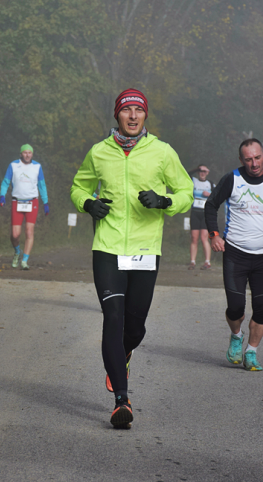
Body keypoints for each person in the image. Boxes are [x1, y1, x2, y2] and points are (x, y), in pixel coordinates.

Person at [70, 88, 193, 428]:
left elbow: (186, 191)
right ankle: (120, 401)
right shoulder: (99, 153)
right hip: (107, 247)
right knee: (113, 315)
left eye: (139, 110)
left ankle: (122, 355)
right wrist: (87, 204)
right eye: (127, 111)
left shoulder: (163, 153)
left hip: (144, 250)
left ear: (146, 116)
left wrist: (165, 201)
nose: (134, 116)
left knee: (135, 326)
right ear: (117, 116)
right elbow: (78, 187)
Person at [205, 138, 263, 371]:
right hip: (235, 254)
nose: (254, 163)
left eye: (257, 157)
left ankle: (252, 352)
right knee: (235, 307)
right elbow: (210, 205)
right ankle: (236, 336)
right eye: (248, 159)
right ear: (241, 160)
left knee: (262, 308)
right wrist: (214, 234)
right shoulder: (232, 179)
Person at [0, 144, 49, 270]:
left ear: (32, 154)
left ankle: (25, 261)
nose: (27, 155)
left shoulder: (37, 167)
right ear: (21, 154)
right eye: (25, 152)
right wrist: (2, 195)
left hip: (32, 202)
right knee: (15, 234)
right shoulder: (13, 165)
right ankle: (17, 252)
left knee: (29, 231)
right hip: (17, 202)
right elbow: (6, 182)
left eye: (29, 153)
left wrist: (46, 202)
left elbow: (42, 185)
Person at [188, 165, 212, 270]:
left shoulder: (210, 184)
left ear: (208, 172)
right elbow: (186, 174)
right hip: (195, 212)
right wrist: (196, 169)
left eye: (204, 171)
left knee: (204, 238)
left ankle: (207, 262)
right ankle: (192, 261)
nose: (202, 173)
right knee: (194, 237)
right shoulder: (194, 181)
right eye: (200, 171)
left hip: (205, 213)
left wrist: (210, 195)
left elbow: (218, 196)